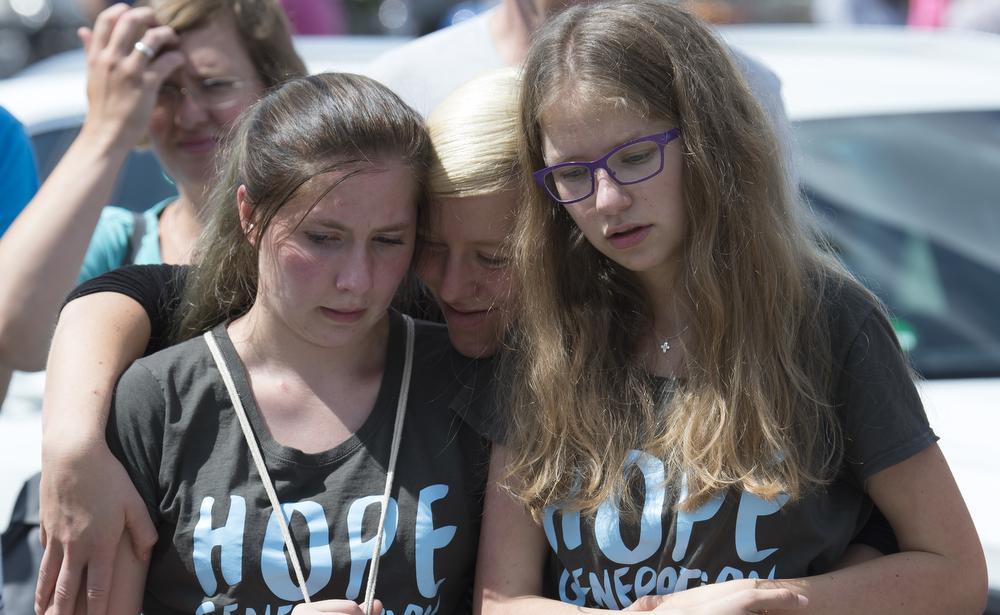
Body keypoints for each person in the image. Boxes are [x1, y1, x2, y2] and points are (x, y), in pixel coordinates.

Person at [475, 1, 987, 612]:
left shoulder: (826, 320)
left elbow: (953, 572)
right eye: (574, 173)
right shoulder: (544, 337)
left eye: (636, 157)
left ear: (709, 138)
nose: (607, 199)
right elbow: (502, 599)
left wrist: (778, 602)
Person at [94, 71, 492, 615]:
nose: (356, 279)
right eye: (322, 238)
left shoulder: (466, 379)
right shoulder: (156, 401)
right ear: (250, 215)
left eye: (388, 241)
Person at [0, 0, 306, 373]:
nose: (189, 114)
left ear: (275, 87)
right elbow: (14, 341)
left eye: (215, 85)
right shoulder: (115, 244)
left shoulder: (318, 238)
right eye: (163, 89)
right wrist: (106, 130)